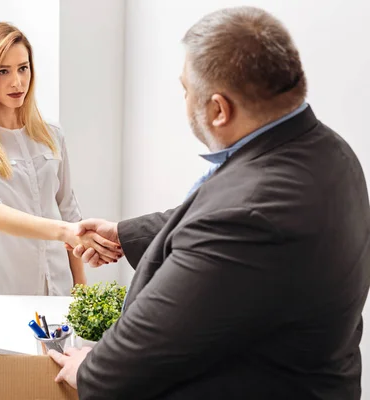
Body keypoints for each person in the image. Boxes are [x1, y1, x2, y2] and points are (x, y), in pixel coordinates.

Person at [50, 6, 370, 399]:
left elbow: (132, 361)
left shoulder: (250, 215)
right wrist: (122, 234)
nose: (184, 100)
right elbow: (216, 215)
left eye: (186, 90)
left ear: (219, 110)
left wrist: (92, 367)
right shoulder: (329, 151)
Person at [0, 22, 122, 323]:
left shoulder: (51, 134)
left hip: (58, 290)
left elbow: (69, 213)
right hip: (1, 296)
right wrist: (63, 231)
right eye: (3, 71)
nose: (17, 81)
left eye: (23, 68)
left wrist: (81, 293)